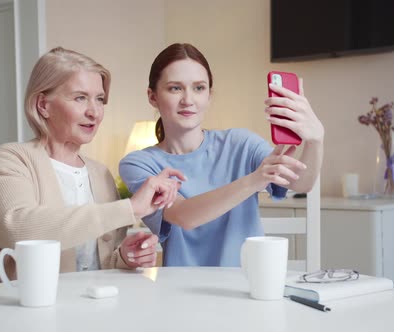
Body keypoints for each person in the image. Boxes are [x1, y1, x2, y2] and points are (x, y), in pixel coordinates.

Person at [0, 47, 183, 288]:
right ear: (43, 105)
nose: (94, 112)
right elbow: (20, 230)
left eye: (100, 99)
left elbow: (100, 262)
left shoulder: (101, 174)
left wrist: (125, 257)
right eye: (80, 97)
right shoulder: (11, 159)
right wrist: (130, 208)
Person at [119, 43, 324, 267]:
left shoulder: (241, 143)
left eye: (199, 88)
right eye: (175, 88)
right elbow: (183, 216)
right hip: (180, 292)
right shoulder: (139, 164)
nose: (188, 99)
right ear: (152, 97)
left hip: (247, 287)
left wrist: (316, 140)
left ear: (209, 95)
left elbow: (301, 184)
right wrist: (254, 180)